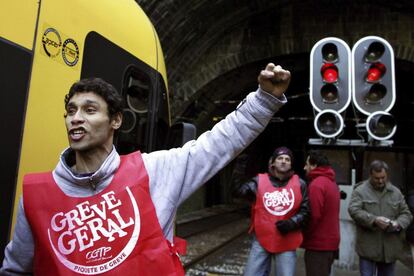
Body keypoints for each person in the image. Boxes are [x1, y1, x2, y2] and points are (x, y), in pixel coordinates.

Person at [0, 63, 290, 275]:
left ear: (115, 121)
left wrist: (263, 101)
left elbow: (216, 146)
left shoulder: (154, 172)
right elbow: (16, 270)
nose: (76, 119)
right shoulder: (38, 197)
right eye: (71, 111)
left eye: (89, 110)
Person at [234, 146, 310, 276]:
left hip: (287, 240)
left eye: (287, 159)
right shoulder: (258, 181)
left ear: (291, 164)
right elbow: (238, 192)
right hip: (262, 239)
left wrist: (292, 223)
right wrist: (239, 168)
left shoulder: (300, 184)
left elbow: (306, 211)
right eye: (280, 158)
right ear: (273, 162)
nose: (283, 161)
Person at [348, 160, 413, 276]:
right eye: (377, 178)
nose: (380, 181)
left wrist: (397, 224)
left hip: (390, 249)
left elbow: (406, 214)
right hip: (368, 249)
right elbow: (354, 210)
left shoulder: (395, 192)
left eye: (383, 177)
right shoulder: (360, 191)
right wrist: (374, 220)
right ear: (370, 175)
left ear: (387, 175)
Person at [301, 150, 340, 276]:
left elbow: (314, 215)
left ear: (314, 165)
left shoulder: (317, 185)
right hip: (330, 243)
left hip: (318, 245)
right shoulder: (331, 182)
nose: (304, 167)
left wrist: (303, 234)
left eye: (307, 164)